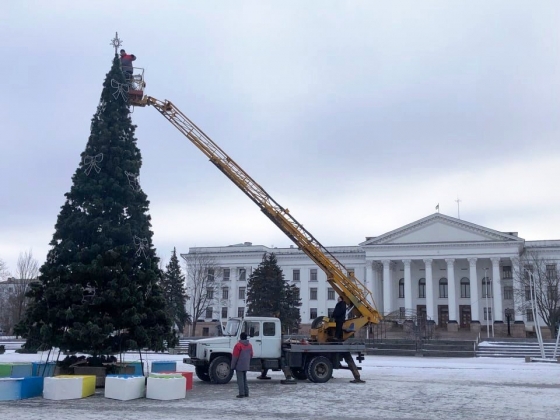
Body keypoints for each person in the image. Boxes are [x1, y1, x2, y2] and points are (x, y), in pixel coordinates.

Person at [231, 332, 253, 398]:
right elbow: (251, 355)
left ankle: (241, 393)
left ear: (240, 337)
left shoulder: (238, 345)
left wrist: (232, 366)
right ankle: (246, 392)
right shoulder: (250, 345)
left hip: (239, 365)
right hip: (246, 364)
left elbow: (235, 357)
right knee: (244, 379)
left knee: (240, 380)